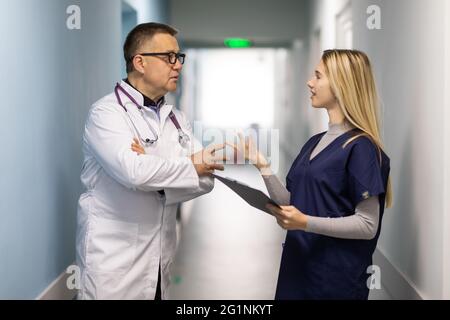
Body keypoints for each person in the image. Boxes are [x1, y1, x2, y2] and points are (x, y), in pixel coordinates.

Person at [75, 22, 225, 300]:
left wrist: (153, 172)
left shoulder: (177, 119)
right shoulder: (106, 114)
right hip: (114, 265)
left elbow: (207, 179)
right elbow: (134, 173)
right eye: (169, 57)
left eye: (179, 57)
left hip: (159, 262)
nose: (178, 65)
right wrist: (185, 167)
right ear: (140, 62)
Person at [237, 49, 392, 300]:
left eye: (318, 76)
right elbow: (294, 203)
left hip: (334, 280)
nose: (310, 82)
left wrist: (305, 222)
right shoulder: (314, 142)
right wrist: (262, 165)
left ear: (342, 84)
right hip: (299, 267)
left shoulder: (360, 147)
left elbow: (367, 225)